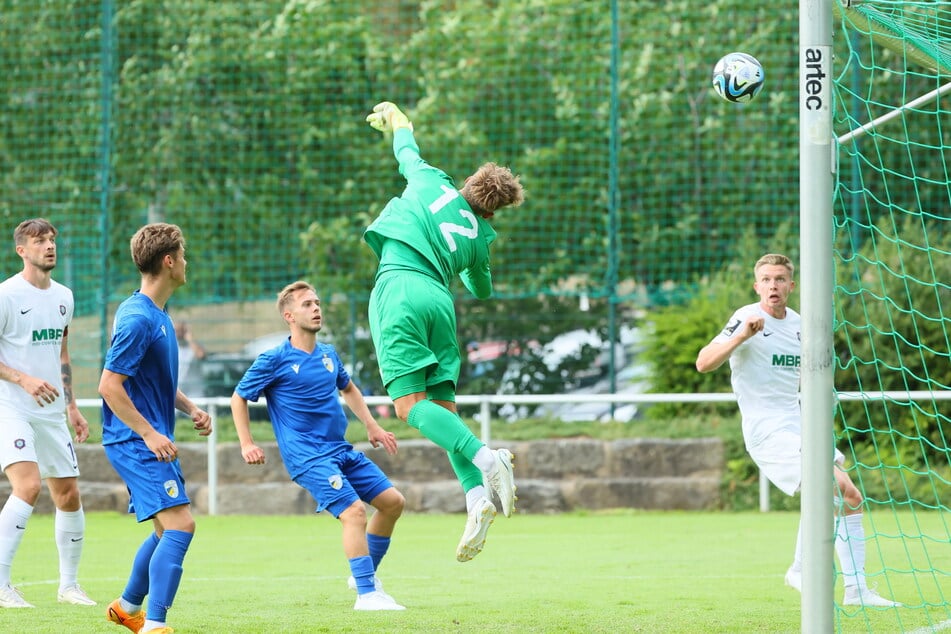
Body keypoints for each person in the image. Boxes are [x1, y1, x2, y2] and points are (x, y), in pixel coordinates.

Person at [363, 101, 525, 562]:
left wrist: (394, 116)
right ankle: (476, 500)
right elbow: (481, 289)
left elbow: (406, 149)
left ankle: (489, 459)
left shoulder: (432, 181)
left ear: (469, 182)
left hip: (400, 286)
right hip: (439, 301)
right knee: (442, 412)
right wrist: (478, 251)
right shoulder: (480, 239)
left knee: (408, 408)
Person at [695, 253, 901, 607]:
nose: (773, 286)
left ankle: (856, 591)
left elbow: (808, 378)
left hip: (799, 425)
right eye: (766, 279)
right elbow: (703, 363)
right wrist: (742, 336)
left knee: (850, 497)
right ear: (756, 285)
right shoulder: (746, 318)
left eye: (779, 279)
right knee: (831, 488)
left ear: (791, 285)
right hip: (767, 431)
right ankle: (800, 569)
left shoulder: (799, 325)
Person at [230, 280, 406, 611]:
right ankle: (367, 595)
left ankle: (363, 577)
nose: (316, 308)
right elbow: (238, 398)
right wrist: (246, 443)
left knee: (393, 503)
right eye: (308, 304)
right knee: (354, 512)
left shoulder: (328, 354)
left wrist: (372, 425)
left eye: (318, 303)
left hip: (340, 450)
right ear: (289, 315)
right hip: (308, 457)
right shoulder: (273, 359)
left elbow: (349, 388)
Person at [99, 223, 213, 634]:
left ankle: (127, 607)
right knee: (182, 525)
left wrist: (189, 408)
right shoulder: (137, 319)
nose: (186, 262)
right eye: (182, 255)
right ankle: (155, 625)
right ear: (169, 261)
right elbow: (109, 386)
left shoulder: (158, 314)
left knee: (167, 528)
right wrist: (149, 433)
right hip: (134, 441)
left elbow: (154, 380)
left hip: (146, 438)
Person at [0, 218, 95, 608]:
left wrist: (71, 405)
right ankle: (2, 584)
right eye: (40, 241)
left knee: (69, 493)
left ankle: (69, 586)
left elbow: (61, 353)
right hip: (11, 407)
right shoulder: (6, 295)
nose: (49, 246)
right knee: (28, 486)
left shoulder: (65, 297)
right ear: (22, 250)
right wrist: (23, 380)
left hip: (53, 413)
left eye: (52, 240)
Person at [174, 321, 206, 398]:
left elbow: (201, 355)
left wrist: (190, 338)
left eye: (181, 331)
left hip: (195, 392)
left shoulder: (194, 346)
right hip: (178, 391)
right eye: (176, 331)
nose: (178, 334)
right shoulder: (172, 346)